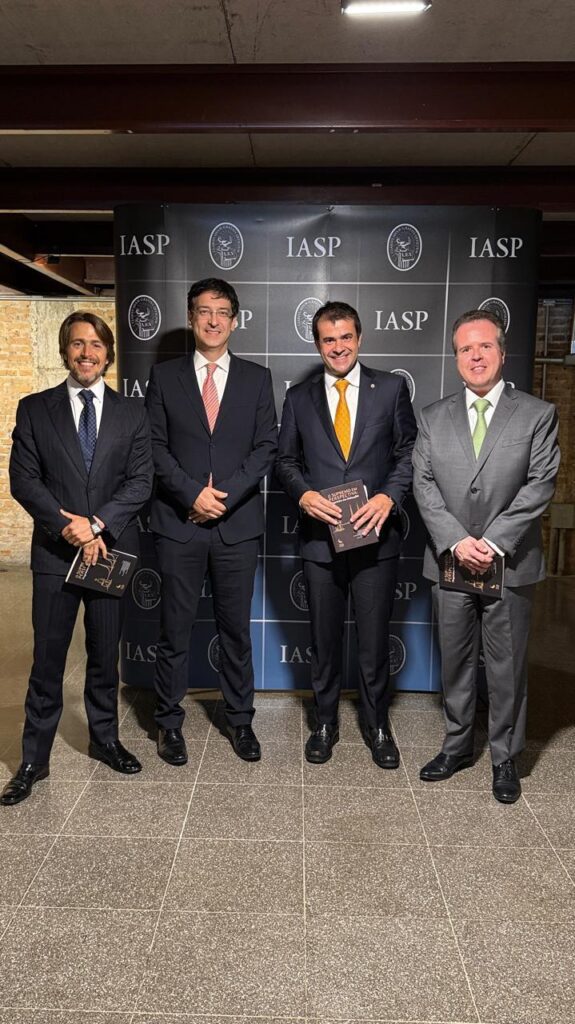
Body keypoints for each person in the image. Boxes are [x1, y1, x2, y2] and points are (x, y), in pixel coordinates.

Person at [1, 311, 153, 806]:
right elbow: (24, 480)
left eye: (96, 345)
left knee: (104, 654)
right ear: (65, 351)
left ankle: (105, 740)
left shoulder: (132, 413)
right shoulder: (34, 409)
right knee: (47, 657)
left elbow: (141, 482)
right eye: (78, 344)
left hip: (109, 551)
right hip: (55, 553)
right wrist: (70, 527)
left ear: (109, 355)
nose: (87, 353)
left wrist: (97, 524)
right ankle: (33, 759)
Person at [412, 309, 560, 803]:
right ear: (455, 357)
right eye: (465, 349)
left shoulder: (537, 414)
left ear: (502, 351)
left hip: (509, 562)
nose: (475, 356)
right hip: (450, 559)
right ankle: (456, 747)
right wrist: (457, 541)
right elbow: (423, 485)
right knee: (455, 661)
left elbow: (540, 484)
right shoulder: (432, 417)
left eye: (484, 346)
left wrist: (492, 542)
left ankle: (504, 757)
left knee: (506, 665)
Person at [276, 300, 417, 767]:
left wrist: (389, 497)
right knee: (324, 638)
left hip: (375, 536)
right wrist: (302, 495)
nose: (338, 347)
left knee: (375, 639)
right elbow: (285, 461)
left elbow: (408, 452)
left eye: (345, 337)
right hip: (321, 539)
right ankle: (325, 722)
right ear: (317, 345)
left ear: (359, 338)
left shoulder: (390, 388)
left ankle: (378, 725)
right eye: (328, 340)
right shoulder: (299, 398)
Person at [145, 277, 277, 765]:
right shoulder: (165, 377)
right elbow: (154, 446)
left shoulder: (257, 378)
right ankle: (168, 723)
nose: (213, 320)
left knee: (235, 630)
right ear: (191, 317)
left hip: (235, 525)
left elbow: (266, 446)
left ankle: (240, 720)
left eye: (222, 312)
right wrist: (191, 495)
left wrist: (223, 497)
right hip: (179, 523)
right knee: (173, 630)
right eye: (204, 311)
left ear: (235, 321)